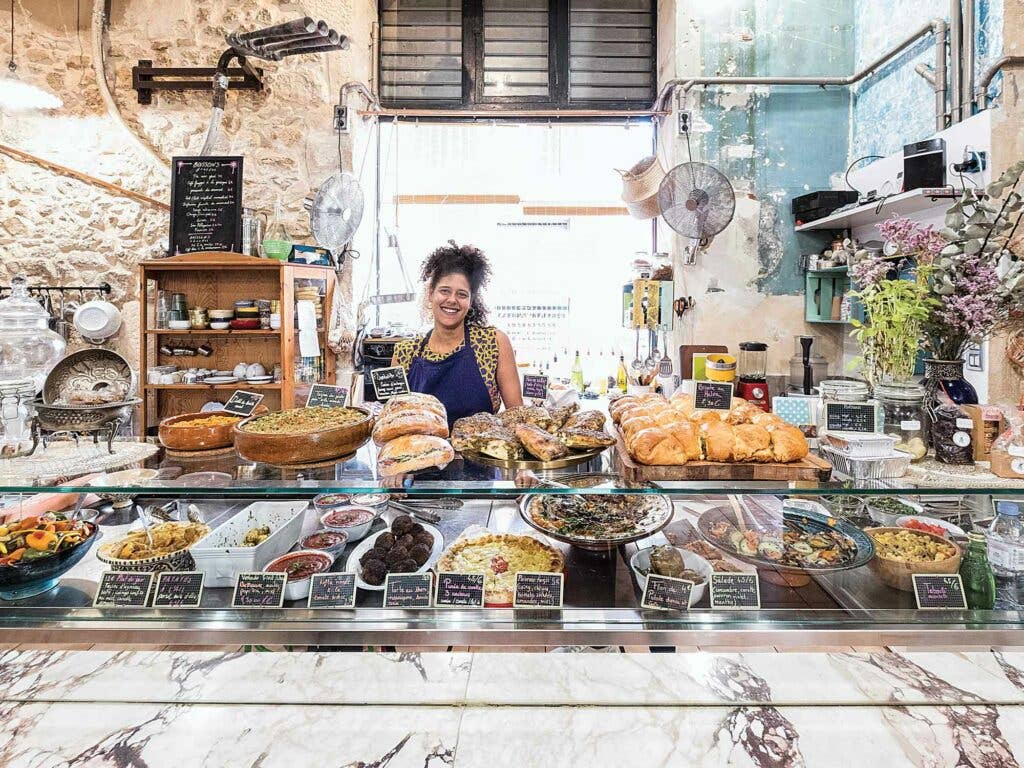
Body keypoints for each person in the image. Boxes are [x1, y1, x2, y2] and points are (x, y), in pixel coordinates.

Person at [391, 241, 523, 426]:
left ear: (471, 300)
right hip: (421, 452)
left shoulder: (493, 342)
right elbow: (393, 420)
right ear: (431, 293)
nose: (452, 300)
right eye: (444, 291)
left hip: (481, 452)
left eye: (462, 294)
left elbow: (517, 416)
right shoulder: (405, 352)